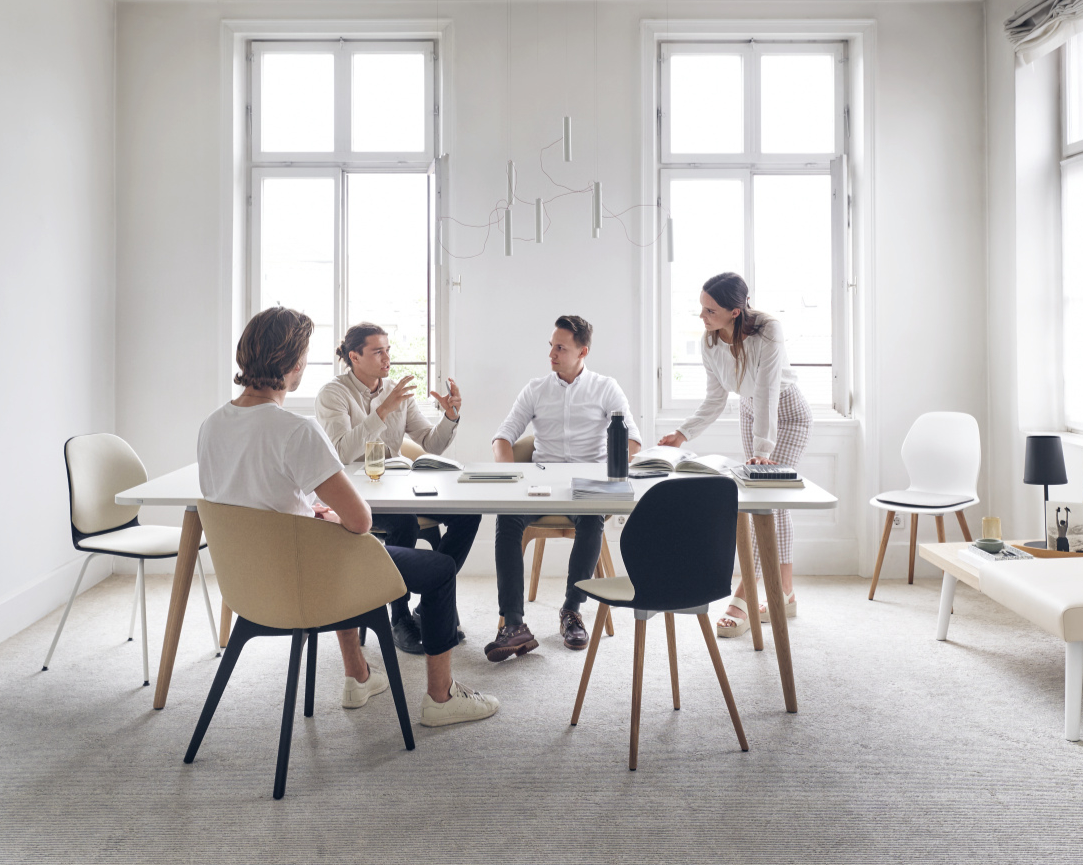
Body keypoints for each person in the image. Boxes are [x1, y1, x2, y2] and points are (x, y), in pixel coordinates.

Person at [198, 306, 498, 727]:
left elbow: (252, 501)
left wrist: (311, 512)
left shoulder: (211, 426)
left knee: (335, 537)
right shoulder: (295, 429)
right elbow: (358, 520)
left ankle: (358, 675)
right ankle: (441, 699)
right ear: (294, 363)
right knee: (438, 567)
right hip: (311, 578)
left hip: (250, 586)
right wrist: (326, 516)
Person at [658, 272, 810, 638]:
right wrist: (682, 434)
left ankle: (743, 595)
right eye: (701, 308)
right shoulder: (709, 343)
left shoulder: (769, 330)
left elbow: (769, 389)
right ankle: (786, 594)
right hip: (750, 412)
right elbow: (716, 398)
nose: (702, 316)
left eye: (710, 310)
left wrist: (763, 450)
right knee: (774, 505)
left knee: (764, 504)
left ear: (735, 311)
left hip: (786, 415)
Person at [315, 322, 480, 656]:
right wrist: (383, 410)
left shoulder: (396, 391)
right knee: (404, 522)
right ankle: (399, 615)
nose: (387, 357)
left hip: (400, 485)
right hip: (357, 495)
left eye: (388, 349)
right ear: (354, 356)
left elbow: (430, 443)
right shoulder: (333, 394)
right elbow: (343, 452)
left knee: (468, 511)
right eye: (378, 351)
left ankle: (430, 600)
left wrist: (450, 417)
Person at [487, 315, 642, 660]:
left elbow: (632, 440)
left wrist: (606, 476)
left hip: (586, 486)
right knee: (506, 519)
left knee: (592, 520)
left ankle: (572, 611)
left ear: (582, 351)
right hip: (540, 483)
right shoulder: (536, 389)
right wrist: (511, 477)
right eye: (551, 346)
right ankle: (513, 624)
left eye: (561, 347)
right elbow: (503, 436)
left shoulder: (606, 388)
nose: (552, 354)